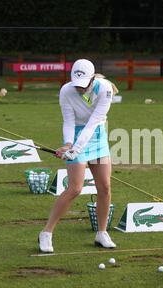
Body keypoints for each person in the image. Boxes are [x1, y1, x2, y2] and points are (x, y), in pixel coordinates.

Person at [38, 59, 118, 252]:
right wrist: (68, 144)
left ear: (92, 79)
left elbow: (94, 122)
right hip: (76, 135)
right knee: (75, 188)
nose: (79, 89)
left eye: (83, 85)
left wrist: (77, 148)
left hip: (97, 135)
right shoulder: (66, 91)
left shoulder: (105, 89)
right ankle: (46, 233)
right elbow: (69, 121)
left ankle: (101, 233)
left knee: (105, 187)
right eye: (77, 85)